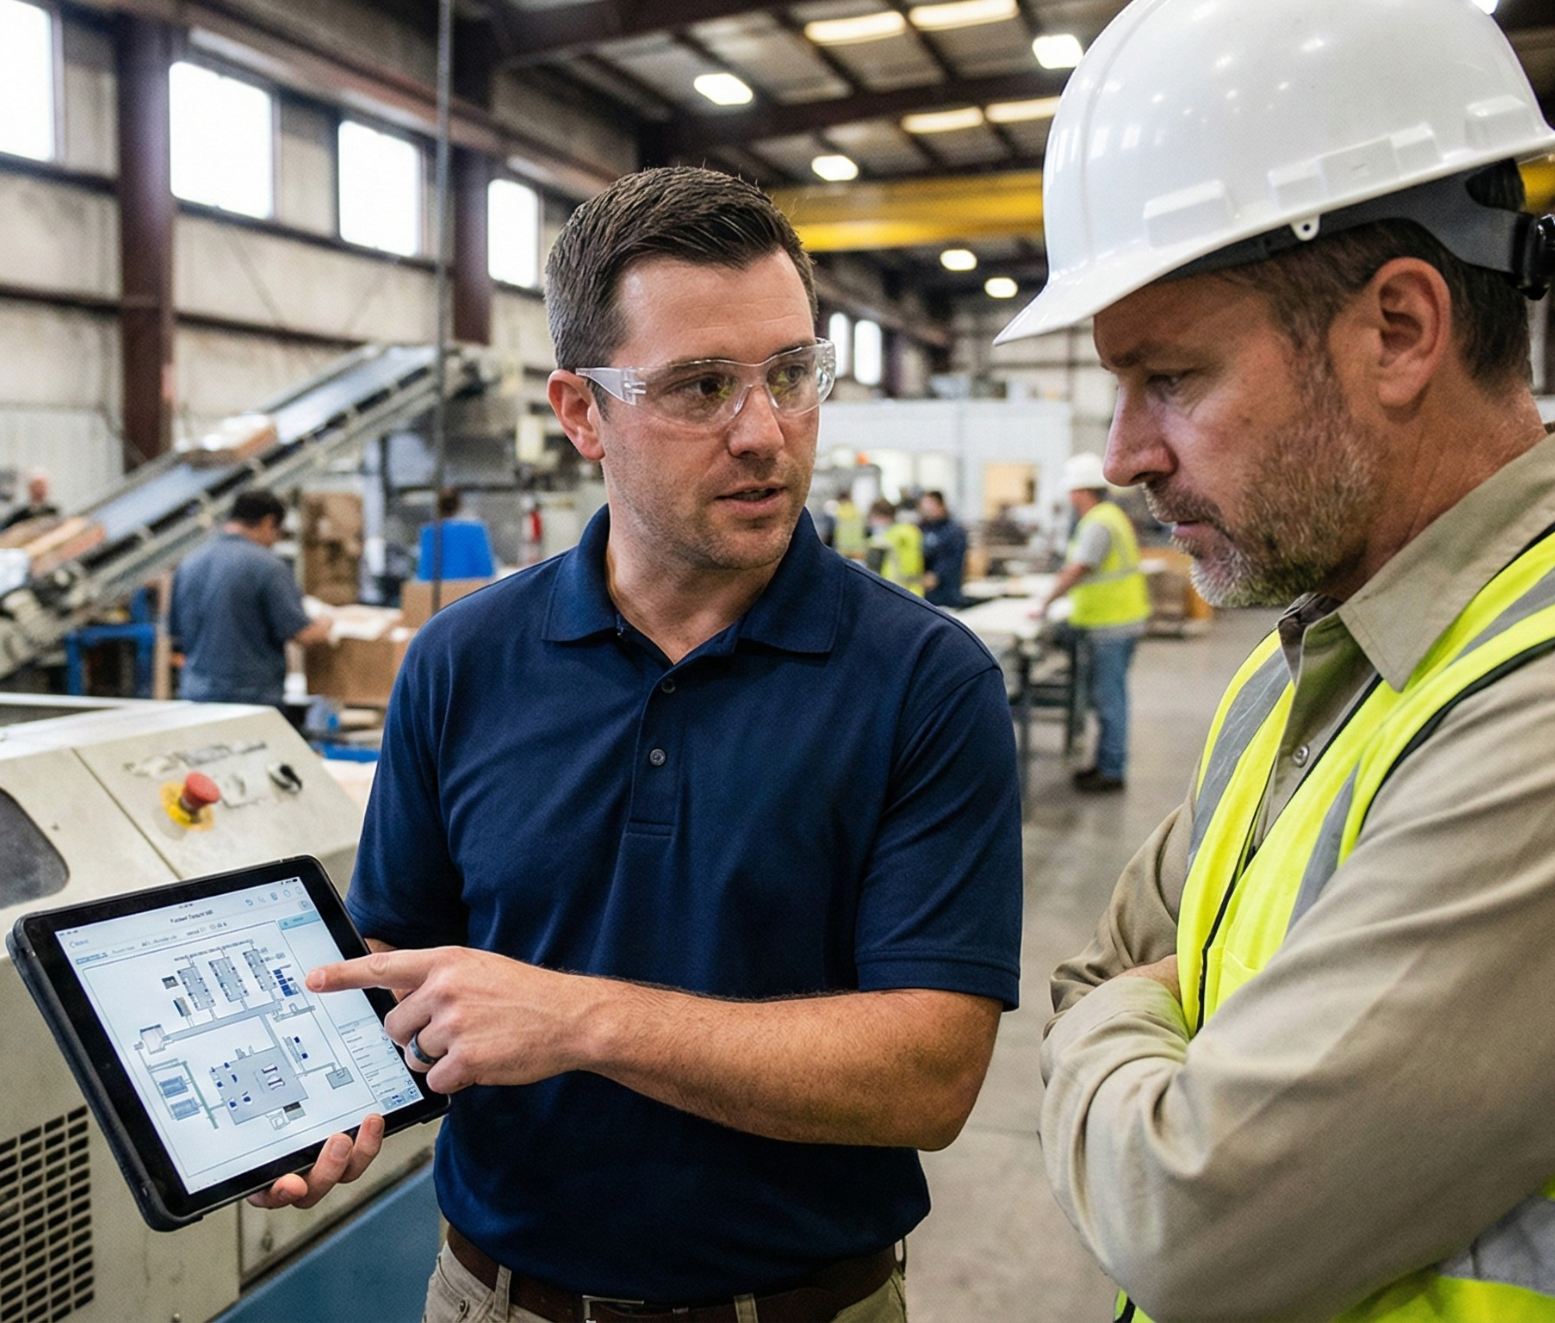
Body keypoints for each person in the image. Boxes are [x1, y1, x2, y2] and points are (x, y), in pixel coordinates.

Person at [253, 166, 1025, 1323]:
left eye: (792, 375)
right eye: (702, 386)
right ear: (580, 413)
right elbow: (403, 952)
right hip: (498, 1298)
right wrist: (330, 1092)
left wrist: (579, 1019)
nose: (764, 431)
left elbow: (929, 1076)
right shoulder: (462, 663)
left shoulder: (924, 681)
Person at [996, 0, 1555, 1317]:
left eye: (1172, 376)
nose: (1126, 452)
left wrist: (1123, 1037)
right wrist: (1137, 1031)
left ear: (1402, 329)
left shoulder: (1532, 708)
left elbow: (1186, 1210)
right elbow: (1098, 960)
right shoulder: (1301, 663)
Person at [1033, 453, 1149, 793]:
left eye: (1072, 491)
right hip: (1118, 619)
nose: (1069, 499)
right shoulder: (1111, 516)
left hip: (1110, 624)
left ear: (1082, 492)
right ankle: (1105, 763)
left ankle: (1111, 770)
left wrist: (1046, 600)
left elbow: (1079, 567)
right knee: (1108, 696)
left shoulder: (1098, 522)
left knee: (1109, 698)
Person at [169, 489, 330, 708]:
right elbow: (302, 634)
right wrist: (328, 623)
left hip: (196, 696)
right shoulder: (268, 566)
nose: (275, 541)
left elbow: (176, 634)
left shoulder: (190, 563)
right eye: (278, 532)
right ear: (268, 522)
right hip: (251, 700)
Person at [416, 486, 496, 580]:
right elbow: (486, 570)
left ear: (438, 507)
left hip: (439, 593)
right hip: (473, 590)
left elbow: (424, 574)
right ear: (460, 505)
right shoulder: (476, 530)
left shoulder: (429, 533)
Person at [917, 490, 972, 607]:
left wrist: (937, 575)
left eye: (929, 505)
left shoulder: (954, 531)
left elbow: (953, 559)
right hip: (924, 591)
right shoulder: (921, 529)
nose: (925, 510)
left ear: (940, 505)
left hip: (947, 592)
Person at [866, 496, 924, 594]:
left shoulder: (880, 540)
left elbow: (872, 570)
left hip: (890, 591)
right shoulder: (912, 531)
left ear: (882, 516)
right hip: (914, 592)